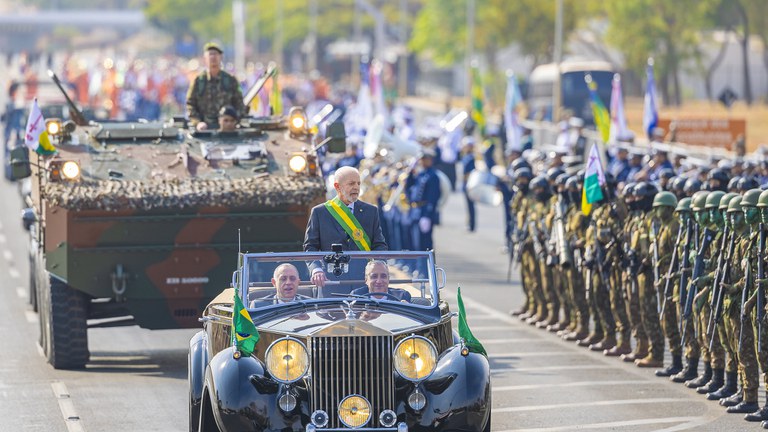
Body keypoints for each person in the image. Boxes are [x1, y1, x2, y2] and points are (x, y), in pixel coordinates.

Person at [304, 166, 388, 287]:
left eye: (358, 183)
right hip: (330, 280)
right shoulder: (319, 212)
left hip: (363, 281)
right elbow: (310, 246)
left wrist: (378, 267)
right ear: (337, 186)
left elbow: (379, 245)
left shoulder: (371, 211)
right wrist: (316, 270)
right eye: (351, 183)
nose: (356, 187)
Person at [186, 42, 246, 131]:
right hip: (204, 129)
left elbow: (239, 104)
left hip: (227, 130)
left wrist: (233, 121)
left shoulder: (230, 80)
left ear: (221, 57)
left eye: (216, 54)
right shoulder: (199, 81)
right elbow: (190, 104)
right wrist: (197, 123)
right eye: (210, 54)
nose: (213, 57)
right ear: (205, 58)